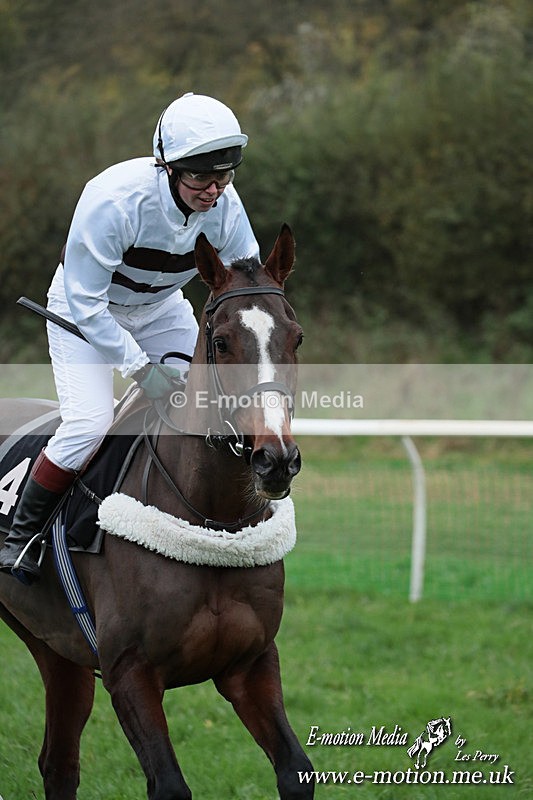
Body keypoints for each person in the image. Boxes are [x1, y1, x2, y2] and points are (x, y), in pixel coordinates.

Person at [0, 92, 259, 584]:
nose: (214, 191)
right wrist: (141, 369)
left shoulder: (225, 204)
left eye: (224, 176)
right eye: (201, 177)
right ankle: (25, 536)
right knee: (90, 422)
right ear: (167, 167)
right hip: (85, 312)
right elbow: (88, 305)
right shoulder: (113, 200)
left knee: (208, 402)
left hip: (162, 309)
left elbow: (242, 281)